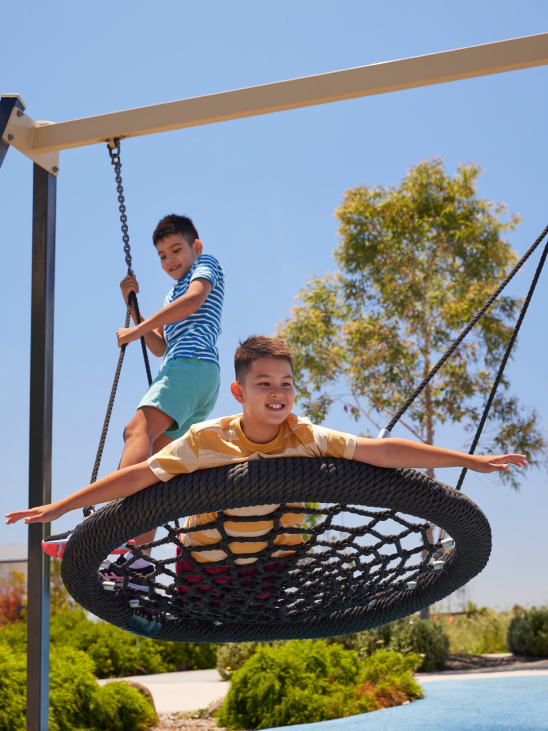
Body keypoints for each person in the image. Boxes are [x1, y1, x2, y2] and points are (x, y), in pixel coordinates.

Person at [9, 336, 526, 568]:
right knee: (194, 618)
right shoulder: (207, 441)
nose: (277, 393)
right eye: (264, 384)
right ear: (239, 392)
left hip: (273, 563)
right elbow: (139, 478)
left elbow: (383, 450)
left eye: (286, 383)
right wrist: (62, 506)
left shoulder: (304, 435)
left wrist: (469, 460)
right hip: (208, 561)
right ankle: (141, 574)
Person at [42, 214, 225, 559]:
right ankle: (139, 560)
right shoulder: (174, 290)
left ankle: (110, 527)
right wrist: (134, 308)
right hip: (197, 378)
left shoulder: (205, 267)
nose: (170, 260)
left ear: (195, 248)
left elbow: (194, 301)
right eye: (162, 255)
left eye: (176, 250)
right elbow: (159, 345)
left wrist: (136, 331)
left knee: (135, 430)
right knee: (154, 465)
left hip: (190, 369)